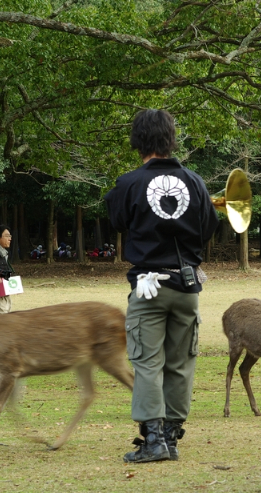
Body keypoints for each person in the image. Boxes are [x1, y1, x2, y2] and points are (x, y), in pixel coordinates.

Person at [105, 109, 218, 463]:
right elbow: (209, 228)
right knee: (182, 362)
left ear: (138, 140)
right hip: (186, 287)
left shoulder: (128, 183)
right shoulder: (196, 182)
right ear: (171, 138)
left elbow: (118, 220)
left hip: (147, 286)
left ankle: (154, 441)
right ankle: (171, 437)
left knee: (148, 362)